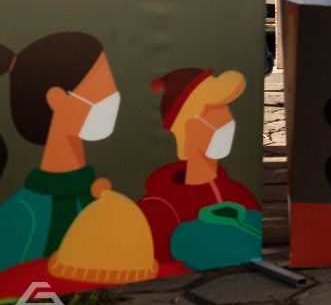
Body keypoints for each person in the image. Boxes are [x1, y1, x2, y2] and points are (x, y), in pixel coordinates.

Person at [0, 33, 119, 269]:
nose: (112, 96)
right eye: (101, 86)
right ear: (57, 99)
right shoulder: (25, 213)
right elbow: (18, 283)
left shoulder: (97, 194)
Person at [139, 67, 260, 271]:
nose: (226, 122)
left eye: (225, 110)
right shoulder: (159, 209)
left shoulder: (240, 194)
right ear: (187, 128)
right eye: (214, 114)